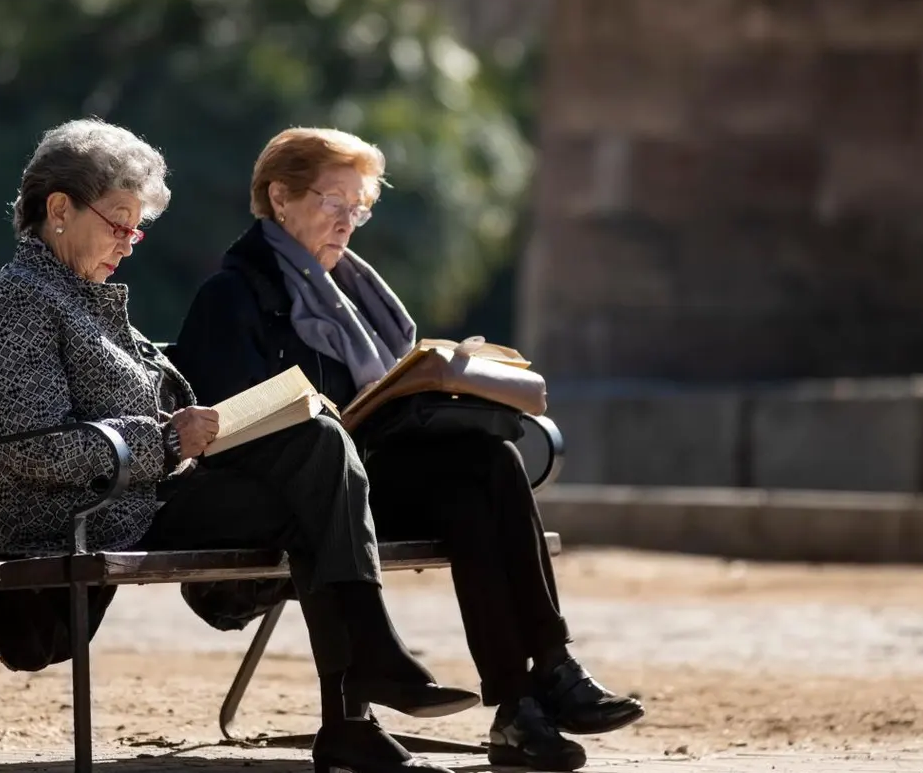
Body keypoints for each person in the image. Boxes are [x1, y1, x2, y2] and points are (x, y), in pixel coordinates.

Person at [0, 119, 475, 773]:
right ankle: (371, 663)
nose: (129, 244)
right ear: (60, 208)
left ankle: (351, 716)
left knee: (319, 452)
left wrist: (207, 425)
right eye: (119, 223)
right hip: (75, 525)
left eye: (135, 228)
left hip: (141, 504)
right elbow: (32, 450)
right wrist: (168, 437)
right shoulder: (19, 305)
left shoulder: (82, 296)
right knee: (315, 449)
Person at [173, 127, 645, 772]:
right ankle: (528, 696)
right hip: (298, 499)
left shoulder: (356, 295)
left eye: (358, 206)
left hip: (365, 481)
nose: (348, 221)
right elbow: (227, 424)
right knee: (467, 485)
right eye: (332, 201)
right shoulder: (231, 296)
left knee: (487, 464)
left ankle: (537, 686)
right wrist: (328, 418)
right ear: (279, 199)